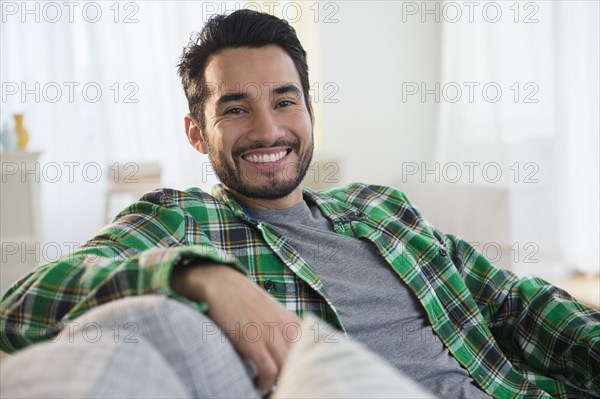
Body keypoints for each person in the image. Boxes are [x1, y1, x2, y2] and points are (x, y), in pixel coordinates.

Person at [1, 9, 598, 399]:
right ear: (196, 132)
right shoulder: (180, 222)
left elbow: (511, 298)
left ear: (310, 111)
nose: (267, 130)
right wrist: (200, 275)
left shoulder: (382, 208)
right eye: (235, 109)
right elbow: (17, 308)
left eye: (285, 102)